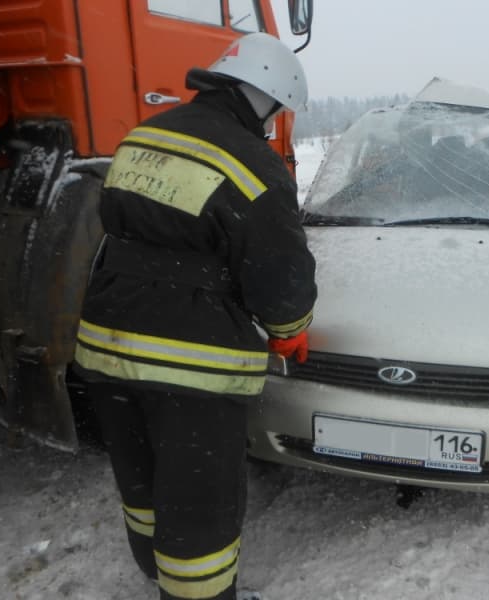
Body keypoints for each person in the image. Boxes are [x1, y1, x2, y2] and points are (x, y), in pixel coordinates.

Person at [72, 32, 317, 600]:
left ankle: (155, 575)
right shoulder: (255, 167)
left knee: (144, 484)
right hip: (191, 367)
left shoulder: (142, 136)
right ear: (265, 99)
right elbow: (280, 278)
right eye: (276, 109)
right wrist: (289, 332)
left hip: (105, 348)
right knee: (199, 504)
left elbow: (120, 222)